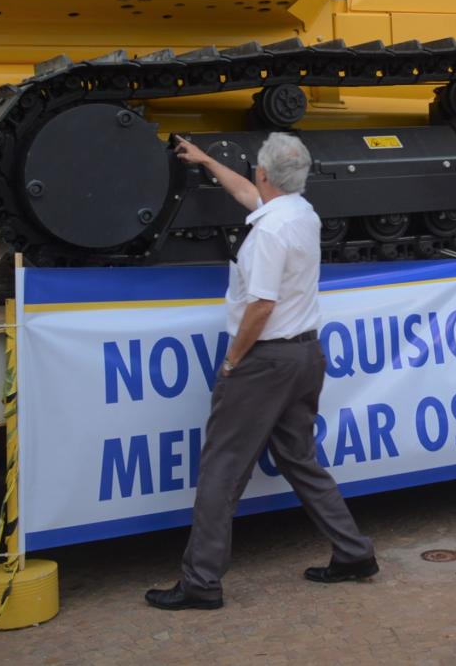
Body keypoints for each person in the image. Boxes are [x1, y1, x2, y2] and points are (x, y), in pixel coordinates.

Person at [145, 132, 377, 610]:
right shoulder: (300, 212)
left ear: (265, 174)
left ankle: (202, 582)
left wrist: (232, 361)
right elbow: (250, 197)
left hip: (266, 362)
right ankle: (354, 552)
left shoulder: (269, 232)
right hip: (305, 357)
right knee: (299, 459)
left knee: (221, 469)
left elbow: (261, 306)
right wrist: (208, 160)